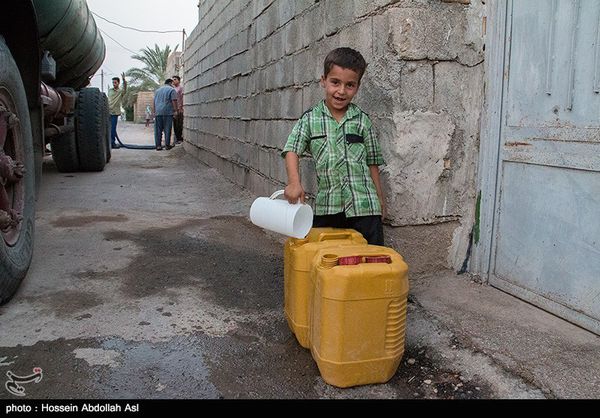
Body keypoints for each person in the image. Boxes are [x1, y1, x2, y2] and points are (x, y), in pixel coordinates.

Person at [281, 47, 386, 245]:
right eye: (335, 82)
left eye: (350, 85)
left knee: (370, 258)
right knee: (327, 258)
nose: (341, 91)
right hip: (328, 208)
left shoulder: (362, 121)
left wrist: (379, 199)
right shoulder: (310, 119)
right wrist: (294, 182)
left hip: (364, 208)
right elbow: (292, 149)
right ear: (323, 80)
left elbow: (372, 162)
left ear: (357, 87)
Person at [153, 79, 178, 151]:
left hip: (158, 112)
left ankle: (158, 146)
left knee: (158, 130)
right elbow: (174, 100)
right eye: (173, 83)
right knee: (167, 129)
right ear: (171, 83)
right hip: (167, 112)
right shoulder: (172, 90)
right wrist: (175, 111)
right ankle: (167, 145)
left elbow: (154, 102)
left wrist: (154, 112)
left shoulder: (157, 91)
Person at [107, 74, 127, 149]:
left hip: (115, 112)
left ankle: (112, 143)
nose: (114, 84)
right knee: (109, 128)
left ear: (118, 83)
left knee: (113, 128)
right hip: (108, 111)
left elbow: (125, 89)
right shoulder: (110, 91)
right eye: (113, 82)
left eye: (115, 82)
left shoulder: (120, 92)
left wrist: (124, 80)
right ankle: (109, 143)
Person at [172, 75, 184, 144]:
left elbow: (182, 98)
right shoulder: (173, 89)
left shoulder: (180, 88)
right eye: (173, 80)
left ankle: (179, 138)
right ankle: (177, 138)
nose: (173, 81)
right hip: (174, 109)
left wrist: (180, 107)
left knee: (179, 123)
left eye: (175, 79)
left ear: (179, 81)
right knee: (175, 124)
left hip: (179, 109)